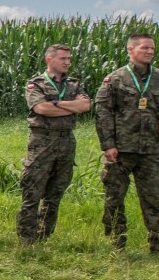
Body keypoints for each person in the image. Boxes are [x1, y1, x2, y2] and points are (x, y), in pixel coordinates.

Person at [17, 44, 91, 245]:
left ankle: (44, 236)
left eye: (69, 59)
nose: (67, 62)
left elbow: (85, 105)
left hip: (66, 141)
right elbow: (41, 108)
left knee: (55, 192)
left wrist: (56, 104)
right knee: (32, 190)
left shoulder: (74, 85)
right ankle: (26, 238)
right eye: (63, 58)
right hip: (42, 141)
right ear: (49, 59)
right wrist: (70, 106)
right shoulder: (36, 84)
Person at [95, 33, 159, 251]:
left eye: (152, 48)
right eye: (145, 48)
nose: (150, 51)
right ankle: (116, 243)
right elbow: (103, 113)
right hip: (121, 150)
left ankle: (156, 244)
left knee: (155, 198)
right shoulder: (115, 79)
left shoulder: (158, 78)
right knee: (114, 198)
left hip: (151, 150)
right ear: (130, 50)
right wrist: (108, 145)